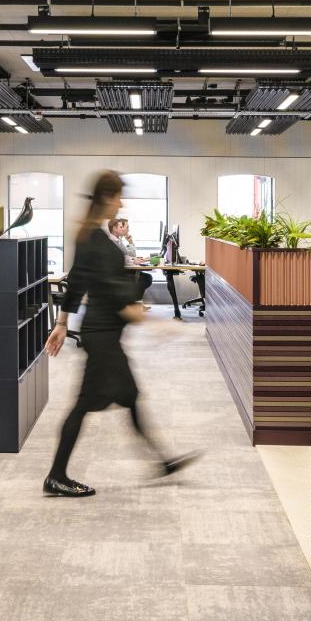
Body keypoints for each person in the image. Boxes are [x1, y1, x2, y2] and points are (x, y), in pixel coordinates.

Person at [43, 171, 196, 497]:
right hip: (102, 338)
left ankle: (163, 462)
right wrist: (157, 323)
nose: (122, 203)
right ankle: (56, 476)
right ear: (107, 197)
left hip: (104, 336)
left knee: (130, 397)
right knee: (84, 405)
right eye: (119, 196)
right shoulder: (95, 241)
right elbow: (113, 296)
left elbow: (76, 284)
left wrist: (62, 324)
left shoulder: (88, 235)